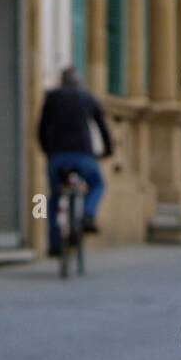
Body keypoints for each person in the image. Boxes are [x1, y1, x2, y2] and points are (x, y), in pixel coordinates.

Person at [37, 66, 113, 256]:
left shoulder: (52, 97)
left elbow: (42, 128)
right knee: (98, 184)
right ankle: (88, 214)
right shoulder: (88, 97)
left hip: (58, 156)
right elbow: (103, 128)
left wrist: (48, 151)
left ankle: (54, 243)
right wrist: (107, 151)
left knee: (54, 196)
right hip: (83, 155)